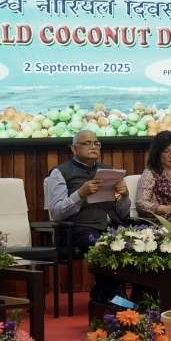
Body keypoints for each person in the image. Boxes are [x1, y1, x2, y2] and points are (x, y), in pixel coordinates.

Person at [46, 129, 130, 303]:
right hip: (79, 229)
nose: (93, 147)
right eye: (87, 143)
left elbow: (122, 213)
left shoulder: (109, 171)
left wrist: (125, 196)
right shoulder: (60, 173)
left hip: (113, 226)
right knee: (103, 246)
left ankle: (107, 291)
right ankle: (117, 297)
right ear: (74, 148)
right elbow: (57, 213)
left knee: (139, 243)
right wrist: (80, 194)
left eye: (96, 143)